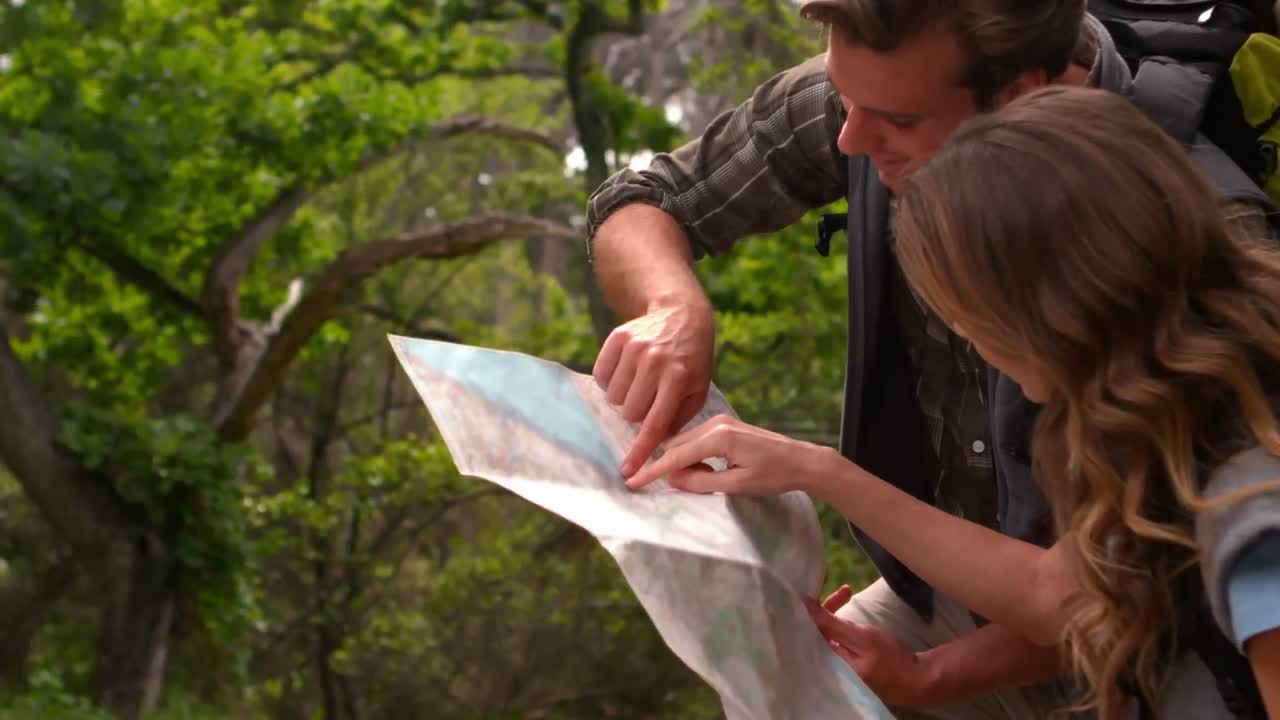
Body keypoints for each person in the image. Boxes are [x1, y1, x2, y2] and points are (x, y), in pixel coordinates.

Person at [587, 0, 1277, 717]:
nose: (850, 136)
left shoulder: (1190, 236)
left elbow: (1103, 597)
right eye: (844, 99)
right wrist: (673, 308)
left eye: (897, 120)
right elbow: (642, 198)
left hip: (1159, 634)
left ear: (1017, 102)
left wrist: (932, 675)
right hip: (996, 588)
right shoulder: (879, 94)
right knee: (778, 688)